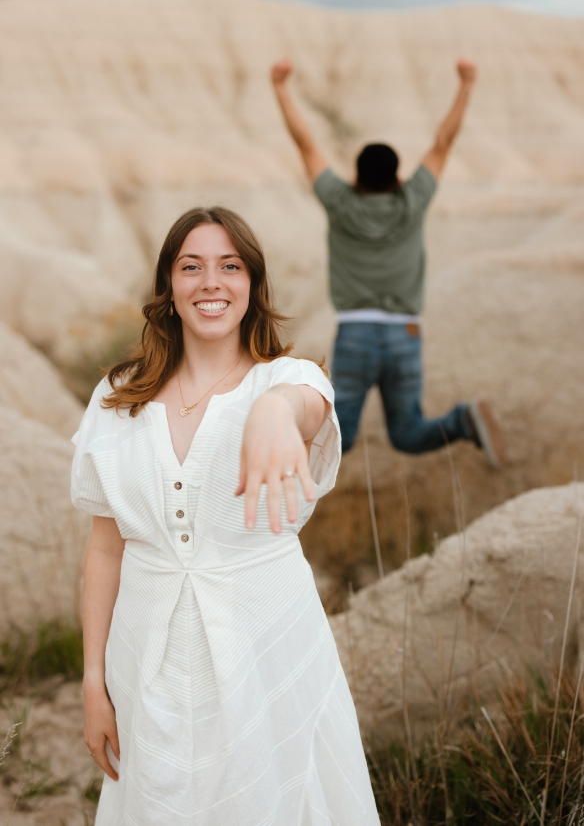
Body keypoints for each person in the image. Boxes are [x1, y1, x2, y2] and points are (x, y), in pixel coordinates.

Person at [72, 206, 381, 825]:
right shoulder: (116, 399)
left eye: (229, 266)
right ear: (169, 288)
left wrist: (272, 413)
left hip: (265, 646)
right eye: (192, 267)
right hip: (148, 654)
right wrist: (91, 679)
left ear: (251, 286)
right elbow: (107, 549)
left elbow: (306, 407)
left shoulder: (287, 380)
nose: (211, 282)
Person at [271, 58, 506, 468]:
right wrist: (466, 85)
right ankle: (462, 421)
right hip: (405, 334)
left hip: (355, 333)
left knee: (337, 436)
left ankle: (272, 446)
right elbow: (442, 144)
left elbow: (306, 145)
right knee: (407, 432)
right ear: (398, 177)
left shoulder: (339, 201)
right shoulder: (412, 200)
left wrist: (281, 89)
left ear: (356, 179)